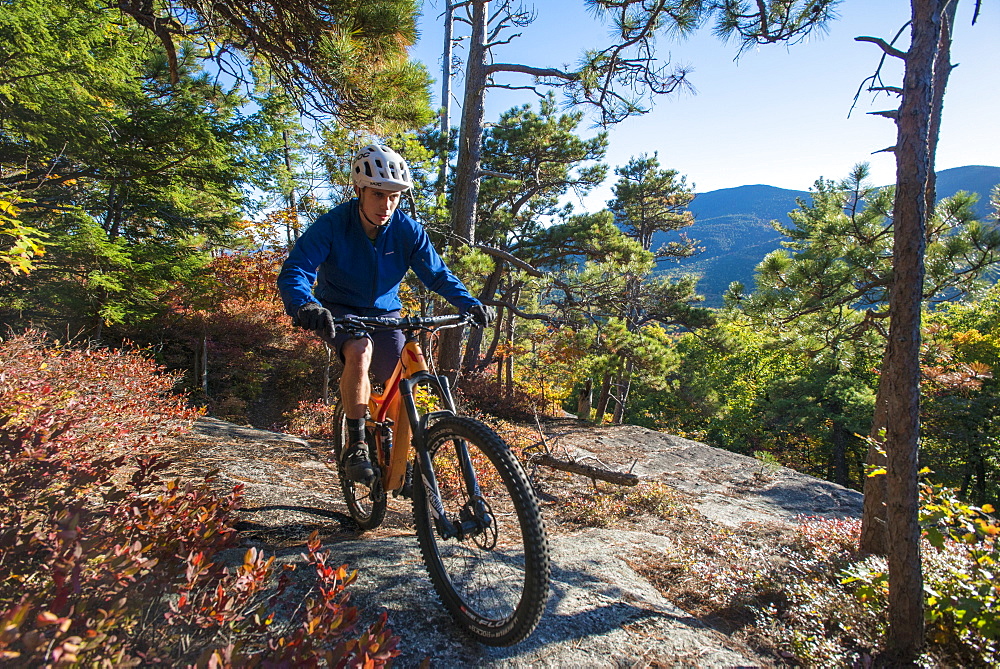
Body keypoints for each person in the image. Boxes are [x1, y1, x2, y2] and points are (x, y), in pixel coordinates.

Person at [277, 143, 494, 484]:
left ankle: (394, 441)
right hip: (339, 310)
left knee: (405, 369)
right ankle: (357, 444)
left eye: (394, 196)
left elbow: (437, 274)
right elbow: (297, 270)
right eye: (378, 194)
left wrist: (468, 302)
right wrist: (305, 304)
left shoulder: (406, 230)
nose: (386, 204)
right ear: (358, 190)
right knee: (360, 351)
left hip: (385, 313)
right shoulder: (333, 225)